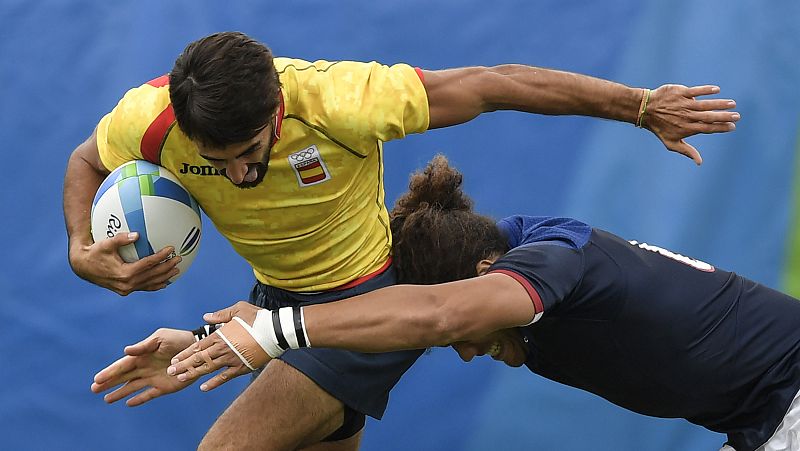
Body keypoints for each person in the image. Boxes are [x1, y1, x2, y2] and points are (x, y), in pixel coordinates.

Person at [73, 31, 740, 450]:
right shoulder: (148, 118)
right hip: (273, 297)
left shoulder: (342, 101)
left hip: (370, 302)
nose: (239, 176)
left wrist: (639, 106)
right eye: (216, 162)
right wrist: (82, 249)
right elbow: (86, 162)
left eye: (250, 153)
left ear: (276, 107)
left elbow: (490, 86)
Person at [157, 155, 800, 451]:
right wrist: (213, 341)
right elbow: (372, 312)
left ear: (485, 273)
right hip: (761, 418)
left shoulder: (550, 260)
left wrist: (275, 330)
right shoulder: (487, 252)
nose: (465, 353)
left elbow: (441, 314)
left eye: (459, 340)